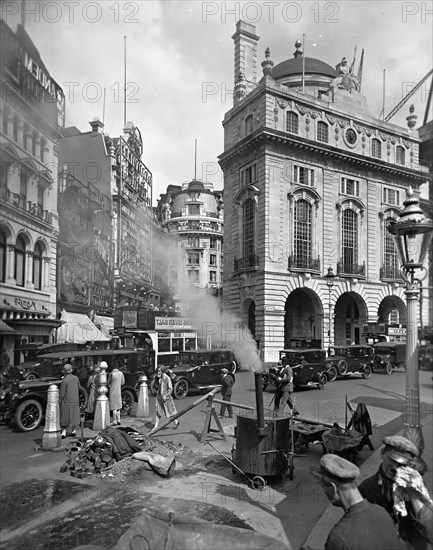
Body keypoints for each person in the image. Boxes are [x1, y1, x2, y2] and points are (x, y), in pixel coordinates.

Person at [358, 435, 433, 550]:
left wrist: (414, 496)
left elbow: (430, 532)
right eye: (392, 460)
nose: (395, 467)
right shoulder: (366, 488)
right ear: (382, 453)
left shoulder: (417, 489)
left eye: (402, 464)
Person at [319, 453, 406, 550]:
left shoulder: (339, 537)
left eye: (323, 487)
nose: (324, 493)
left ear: (333, 488)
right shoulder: (381, 512)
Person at [149, 366, 179, 434]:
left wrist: (167, 396)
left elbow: (170, 388)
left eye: (159, 371)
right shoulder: (160, 378)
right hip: (160, 397)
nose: (158, 372)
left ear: (162, 371)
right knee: (158, 411)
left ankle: (176, 421)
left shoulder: (167, 378)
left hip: (166, 398)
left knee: (170, 411)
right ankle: (156, 425)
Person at [59, 363, 81, 438]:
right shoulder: (76, 378)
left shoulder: (64, 380)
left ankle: (64, 432)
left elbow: (61, 393)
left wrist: (58, 402)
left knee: (65, 416)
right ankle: (73, 430)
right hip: (75, 399)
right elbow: (79, 387)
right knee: (74, 415)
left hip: (66, 401)